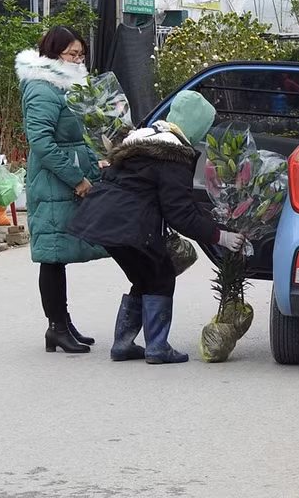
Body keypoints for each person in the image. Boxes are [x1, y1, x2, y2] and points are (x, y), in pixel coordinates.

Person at [68, 91, 245, 364]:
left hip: (105, 221)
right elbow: (180, 213)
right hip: (132, 226)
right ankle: (157, 348)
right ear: (196, 126)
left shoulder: (142, 142)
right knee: (161, 275)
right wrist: (220, 236)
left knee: (143, 278)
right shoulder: (173, 157)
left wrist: (211, 223)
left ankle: (123, 344)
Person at [16, 26, 107, 354]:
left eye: (81, 54)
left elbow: (75, 135)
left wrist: (95, 163)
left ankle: (63, 324)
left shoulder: (65, 85)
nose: (78, 60)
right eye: (72, 54)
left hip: (65, 177)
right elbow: (41, 141)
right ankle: (56, 327)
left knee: (59, 254)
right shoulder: (42, 88)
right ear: (53, 54)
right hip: (53, 180)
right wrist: (77, 178)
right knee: (52, 255)